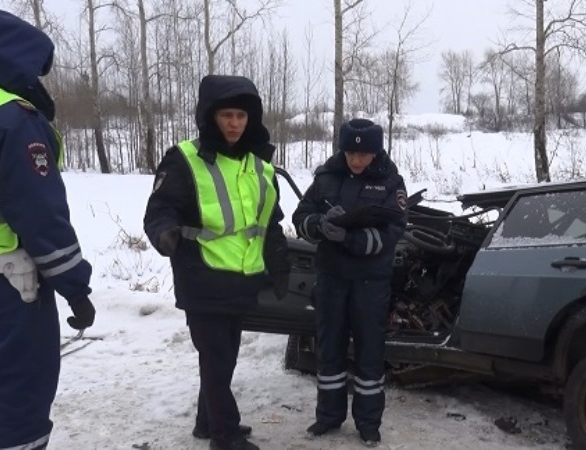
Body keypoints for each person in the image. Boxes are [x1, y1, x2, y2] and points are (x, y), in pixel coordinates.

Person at [143, 74, 290, 450]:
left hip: (241, 280)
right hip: (201, 277)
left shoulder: (260, 164)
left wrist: (280, 266)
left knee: (221, 360)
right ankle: (225, 436)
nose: (234, 123)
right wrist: (165, 235)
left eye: (241, 115)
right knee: (217, 360)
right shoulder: (186, 159)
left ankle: (207, 423)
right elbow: (159, 210)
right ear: (210, 116)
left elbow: (269, 221)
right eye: (227, 114)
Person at [0, 9, 96, 450]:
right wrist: (76, 287)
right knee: (19, 394)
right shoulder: (15, 119)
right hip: (9, 286)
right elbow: (41, 216)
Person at [292, 118, 407, 448]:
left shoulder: (390, 181)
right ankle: (328, 417)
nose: (357, 160)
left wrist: (351, 238)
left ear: (376, 152)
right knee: (329, 350)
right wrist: (318, 225)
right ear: (342, 149)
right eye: (351, 152)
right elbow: (301, 215)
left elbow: (394, 229)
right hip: (331, 278)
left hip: (370, 281)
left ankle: (369, 424)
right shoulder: (326, 177)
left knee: (370, 352)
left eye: (364, 153)